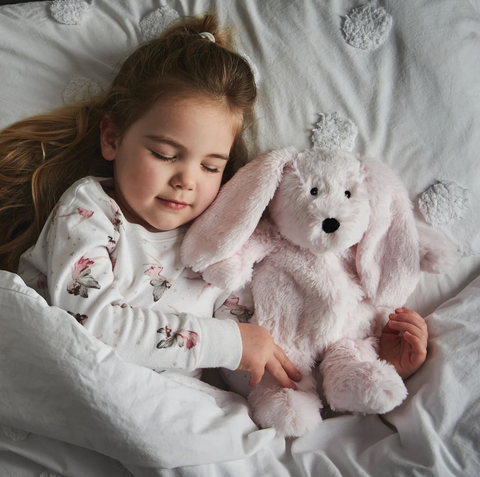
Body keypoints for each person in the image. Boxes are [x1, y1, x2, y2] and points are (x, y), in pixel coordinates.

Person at [0, 14, 427, 398]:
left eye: (209, 166)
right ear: (112, 138)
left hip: (161, 403)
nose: (187, 180)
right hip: (65, 383)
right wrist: (230, 342)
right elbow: (90, 327)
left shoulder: (217, 241)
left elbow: (253, 366)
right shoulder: (90, 213)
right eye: (166, 154)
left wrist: (381, 358)